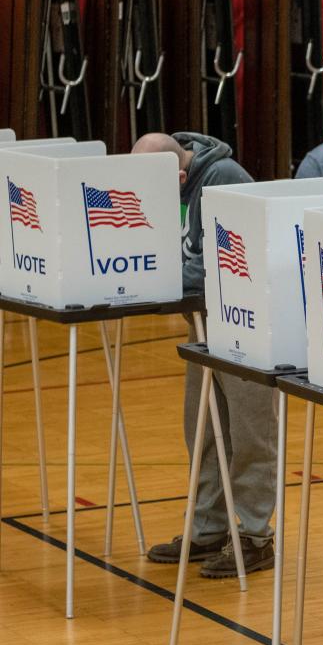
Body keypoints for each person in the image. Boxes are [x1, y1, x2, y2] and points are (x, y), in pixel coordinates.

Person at [131, 132, 277, 577]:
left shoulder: (223, 179)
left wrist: (146, 272)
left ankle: (256, 536)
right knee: (203, 429)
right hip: (206, 322)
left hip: (246, 323)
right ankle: (209, 527)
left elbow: (214, 260)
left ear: (179, 174)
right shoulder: (175, 177)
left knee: (250, 432)